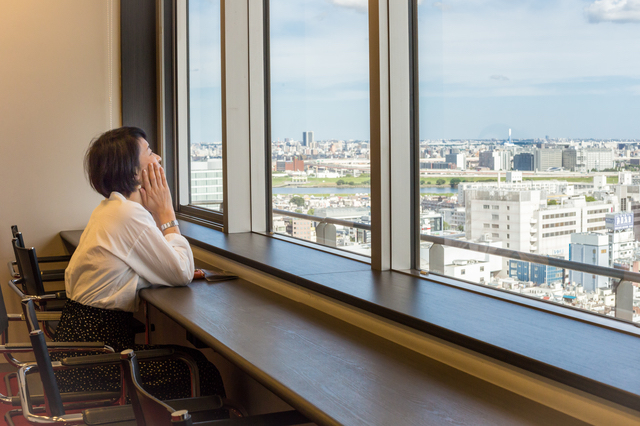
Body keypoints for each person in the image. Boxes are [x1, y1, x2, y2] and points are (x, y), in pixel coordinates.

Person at [53, 126, 225, 402]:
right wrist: (166, 212)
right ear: (134, 172)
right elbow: (180, 272)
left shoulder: (111, 209)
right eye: (149, 152)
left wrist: (163, 267)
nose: (157, 158)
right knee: (198, 370)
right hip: (95, 362)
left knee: (193, 361)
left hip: (81, 350)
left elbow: (135, 267)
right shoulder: (127, 214)